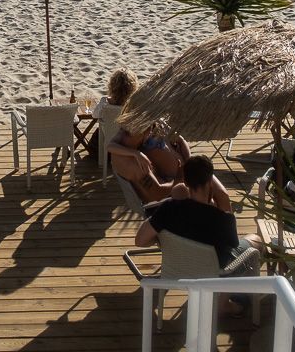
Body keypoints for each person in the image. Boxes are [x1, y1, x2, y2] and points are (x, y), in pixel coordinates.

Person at [135, 156, 261, 311]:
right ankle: (226, 303)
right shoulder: (220, 218)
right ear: (209, 182)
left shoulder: (169, 209)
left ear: (186, 182)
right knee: (255, 240)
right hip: (214, 273)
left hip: (179, 267)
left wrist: (160, 239)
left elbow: (140, 240)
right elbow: (232, 245)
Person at [107, 119, 191, 203]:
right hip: (159, 204)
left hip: (167, 189)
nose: (148, 136)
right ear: (142, 133)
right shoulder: (137, 164)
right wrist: (178, 179)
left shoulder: (123, 144)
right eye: (148, 133)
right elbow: (158, 194)